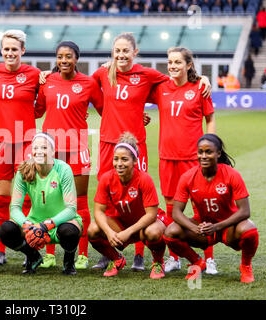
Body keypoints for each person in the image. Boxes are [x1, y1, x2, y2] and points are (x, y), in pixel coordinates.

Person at [91, 32, 212, 270]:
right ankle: (108, 252)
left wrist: (203, 78)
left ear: (135, 53)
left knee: (138, 197)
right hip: (107, 144)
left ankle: (139, 254)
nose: (121, 55)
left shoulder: (146, 75)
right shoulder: (102, 73)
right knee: (110, 197)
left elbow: (176, 79)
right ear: (112, 52)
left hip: (136, 145)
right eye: (117, 51)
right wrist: (47, 74)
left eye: (126, 51)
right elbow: (85, 86)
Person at [147, 46, 217, 274]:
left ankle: (209, 258)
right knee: (170, 209)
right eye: (170, 62)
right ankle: (174, 257)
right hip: (167, 157)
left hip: (193, 159)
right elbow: (133, 95)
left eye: (178, 62)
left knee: (201, 209)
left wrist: (212, 145)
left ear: (188, 65)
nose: (173, 66)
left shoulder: (199, 87)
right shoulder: (161, 88)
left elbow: (210, 117)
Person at [34, 41, 103, 270]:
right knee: (51, 202)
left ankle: (82, 254)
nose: (64, 61)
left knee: (79, 202)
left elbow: (106, 109)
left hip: (77, 149)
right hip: (50, 151)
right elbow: (37, 110)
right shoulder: (48, 81)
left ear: (77, 59)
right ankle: (50, 253)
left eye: (69, 56)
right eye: (60, 57)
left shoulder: (88, 82)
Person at [0, 29, 42, 266]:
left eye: (14, 49)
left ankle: (33, 248)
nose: (9, 53)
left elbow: (45, 100)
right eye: (6, 49)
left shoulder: (35, 74)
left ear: (22, 51)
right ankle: (0, 251)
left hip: (26, 142)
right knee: (2, 198)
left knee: (29, 198)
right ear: (1, 50)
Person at [164, 134, 259, 283]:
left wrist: (217, 226)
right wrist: (194, 228)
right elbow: (176, 212)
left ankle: (246, 266)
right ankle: (197, 262)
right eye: (200, 152)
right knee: (170, 232)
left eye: (208, 152)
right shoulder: (188, 177)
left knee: (250, 229)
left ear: (218, 153)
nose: (203, 156)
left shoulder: (231, 174)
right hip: (203, 230)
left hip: (228, 228)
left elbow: (245, 211)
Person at [0, 132, 83, 275]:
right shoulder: (24, 171)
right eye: (35, 148)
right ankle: (32, 256)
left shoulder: (64, 169)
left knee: (70, 232)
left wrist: (47, 224)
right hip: (33, 224)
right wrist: (26, 224)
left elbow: (71, 209)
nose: (39, 151)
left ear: (53, 151)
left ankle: (69, 262)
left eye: (44, 147)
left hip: (58, 224)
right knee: (6, 230)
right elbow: (14, 208)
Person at [87, 132, 169, 279]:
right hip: (123, 223)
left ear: (135, 161)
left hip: (147, 223)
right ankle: (116, 259)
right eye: (116, 159)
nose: (119, 164)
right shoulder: (107, 179)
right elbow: (98, 211)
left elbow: (151, 214)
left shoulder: (144, 179)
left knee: (153, 232)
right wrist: (109, 232)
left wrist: (128, 232)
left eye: (124, 159)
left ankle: (158, 263)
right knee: (93, 229)